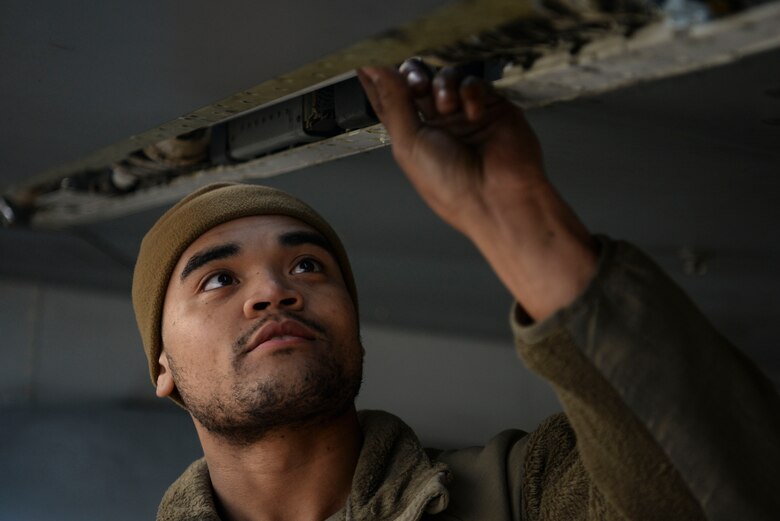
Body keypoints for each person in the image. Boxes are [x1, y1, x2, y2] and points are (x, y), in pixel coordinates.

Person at [131, 60, 780, 521]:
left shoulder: (524, 492)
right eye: (219, 278)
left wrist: (519, 222)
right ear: (162, 365)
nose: (274, 291)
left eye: (308, 266)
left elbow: (723, 486)